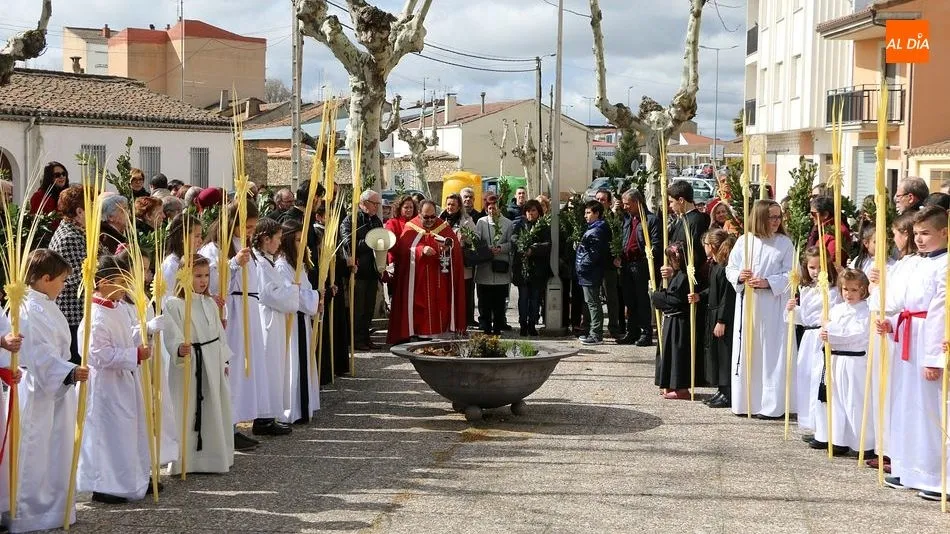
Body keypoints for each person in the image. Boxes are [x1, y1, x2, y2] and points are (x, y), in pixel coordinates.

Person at [5, 249, 85, 532]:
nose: (64, 286)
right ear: (45, 278)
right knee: (35, 449)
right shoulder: (29, 308)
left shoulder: (45, 303)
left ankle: (54, 507)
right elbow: (38, 352)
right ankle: (30, 511)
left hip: (54, 387)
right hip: (38, 388)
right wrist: (69, 371)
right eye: (62, 280)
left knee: (56, 448)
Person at [877, 206, 947, 500]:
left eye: (926, 233)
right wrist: (892, 323)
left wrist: (935, 359)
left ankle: (935, 476)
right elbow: (908, 304)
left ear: (944, 232)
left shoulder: (945, 265)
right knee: (906, 404)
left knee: (930, 408)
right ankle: (909, 468)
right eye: (916, 234)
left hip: (929, 340)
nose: (919, 239)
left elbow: (941, 313)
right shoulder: (917, 263)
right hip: (909, 337)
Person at [76, 255, 154, 504]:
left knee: (124, 431)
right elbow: (97, 353)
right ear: (104, 282)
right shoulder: (95, 315)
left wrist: (141, 336)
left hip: (123, 380)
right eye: (122, 282)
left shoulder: (117, 308)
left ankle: (126, 480)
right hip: (105, 386)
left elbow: (121, 337)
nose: (126, 289)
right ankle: (103, 484)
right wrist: (134, 354)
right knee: (107, 433)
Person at [199, 199, 274, 450]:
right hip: (231, 311)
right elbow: (210, 283)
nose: (251, 232)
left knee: (245, 368)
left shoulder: (243, 245)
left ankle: (236, 421)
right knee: (230, 367)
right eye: (248, 226)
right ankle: (226, 426)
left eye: (253, 227)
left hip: (248, 309)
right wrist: (232, 264)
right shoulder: (214, 248)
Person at [163, 255, 234, 475]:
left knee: (213, 406)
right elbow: (170, 333)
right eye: (198, 276)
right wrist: (178, 348)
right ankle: (188, 460)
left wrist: (224, 359)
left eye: (206, 276)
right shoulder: (174, 304)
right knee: (189, 408)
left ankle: (214, 457)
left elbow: (220, 335)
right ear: (184, 277)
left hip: (211, 361)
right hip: (190, 363)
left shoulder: (210, 302)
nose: (203, 281)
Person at [725, 199, 794, 418]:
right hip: (748, 305)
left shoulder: (784, 243)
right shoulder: (744, 241)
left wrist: (768, 282)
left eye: (778, 217)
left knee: (772, 353)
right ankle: (747, 402)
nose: (776, 221)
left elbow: (793, 274)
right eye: (771, 217)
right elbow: (731, 268)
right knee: (749, 351)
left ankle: (772, 405)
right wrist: (739, 276)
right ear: (760, 218)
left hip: (773, 306)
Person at [865, 211, 918, 473]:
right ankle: (887, 448)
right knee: (883, 389)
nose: (894, 239)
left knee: (893, 391)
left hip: (896, 330)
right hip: (887, 328)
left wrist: (877, 288)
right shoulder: (902, 263)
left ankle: (894, 451)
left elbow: (893, 299)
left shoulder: (911, 264)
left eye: (896, 234)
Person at [387, 200, 467, 344]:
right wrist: (420, 250)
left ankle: (440, 332)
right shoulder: (411, 227)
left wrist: (447, 246)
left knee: (440, 305)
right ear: (420, 214)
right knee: (418, 306)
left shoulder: (442, 226)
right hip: (418, 279)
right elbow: (404, 250)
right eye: (426, 217)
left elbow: (454, 246)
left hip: (439, 277)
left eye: (432, 217)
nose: (430, 221)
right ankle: (415, 332)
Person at [813, 268, 872, 457]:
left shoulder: (865, 311)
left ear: (863, 290)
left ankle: (862, 443)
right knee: (836, 400)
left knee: (855, 400)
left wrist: (830, 330)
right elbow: (825, 328)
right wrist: (825, 332)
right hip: (835, 358)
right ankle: (839, 439)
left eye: (854, 290)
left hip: (854, 360)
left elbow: (857, 334)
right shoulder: (837, 309)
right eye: (846, 289)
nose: (849, 294)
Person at [252, 218, 300, 429]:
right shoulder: (260, 264)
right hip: (268, 320)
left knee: (277, 366)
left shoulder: (267, 261)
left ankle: (272, 414)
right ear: (265, 239)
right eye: (277, 238)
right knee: (270, 367)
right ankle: (265, 416)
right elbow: (269, 295)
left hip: (277, 319)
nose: (280, 243)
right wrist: (293, 291)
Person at [788, 246, 840, 437]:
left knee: (820, 377)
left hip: (823, 335)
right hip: (809, 337)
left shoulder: (834, 289)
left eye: (819, 267)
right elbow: (804, 318)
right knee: (807, 376)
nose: (816, 272)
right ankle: (810, 422)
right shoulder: (805, 288)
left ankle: (822, 425)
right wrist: (794, 309)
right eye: (812, 268)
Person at [276, 220, 321, 424]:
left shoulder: (297, 265)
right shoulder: (282, 265)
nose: (301, 243)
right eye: (296, 239)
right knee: (293, 363)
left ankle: (304, 407)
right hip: (291, 322)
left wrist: (317, 296)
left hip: (302, 320)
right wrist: (315, 297)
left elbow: (305, 290)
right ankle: (292, 410)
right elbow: (293, 295)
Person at [688, 230, 737, 408]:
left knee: (724, 354)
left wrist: (722, 320)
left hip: (721, 315)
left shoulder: (725, 267)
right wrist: (700, 296)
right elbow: (714, 290)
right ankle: (721, 389)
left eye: (706, 245)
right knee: (716, 353)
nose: (705, 249)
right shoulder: (716, 265)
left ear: (713, 246)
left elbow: (727, 296)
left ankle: (727, 392)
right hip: (713, 311)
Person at [339, 190, 384, 351]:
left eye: (378, 204)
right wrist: (370, 242)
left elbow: (381, 241)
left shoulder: (376, 221)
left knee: (369, 308)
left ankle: (366, 337)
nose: (377, 207)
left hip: (372, 271)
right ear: (363, 203)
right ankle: (356, 339)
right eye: (374, 203)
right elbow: (347, 243)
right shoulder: (350, 220)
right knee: (358, 309)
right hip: (358, 271)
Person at [48, 185, 87, 365]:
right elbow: (78, 277)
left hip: (79, 314)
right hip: (73, 316)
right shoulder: (68, 237)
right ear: (80, 211)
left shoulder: (79, 233)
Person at [618, 189, 659, 346]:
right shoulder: (628, 219)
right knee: (629, 299)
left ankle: (645, 332)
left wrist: (649, 255)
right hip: (626, 264)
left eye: (628, 204)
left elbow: (656, 243)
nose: (625, 207)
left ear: (637, 202)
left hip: (640, 264)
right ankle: (632, 331)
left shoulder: (650, 220)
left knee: (641, 300)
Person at [651, 243, 691, 399]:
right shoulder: (677, 275)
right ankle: (668, 383)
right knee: (668, 352)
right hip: (670, 319)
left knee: (677, 353)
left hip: (678, 320)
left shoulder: (684, 276)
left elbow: (675, 299)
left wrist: (656, 296)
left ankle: (681, 388)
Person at [473, 195, 513, 335]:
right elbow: (477, 241)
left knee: (499, 301)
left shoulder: (508, 223)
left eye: (494, 207)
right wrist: (488, 248)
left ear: (499, 208)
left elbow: (511, 243)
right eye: (489, 208)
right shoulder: (481, 222)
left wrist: (501, 248)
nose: (492, 210)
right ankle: (485, 326)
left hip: (501, 267)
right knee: (484, 301)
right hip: (485, 268)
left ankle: (497, 326)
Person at [512, 199, 551, 337]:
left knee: (535, 298)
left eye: (533, 210)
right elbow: (514, 238)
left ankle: (532, 323)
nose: (530, 213)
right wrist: (522, 248)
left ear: (538, 212)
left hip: (537, 269)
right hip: (522, 268)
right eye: (528, 211)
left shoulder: (544, 226)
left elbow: (547, 244)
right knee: (523, 297)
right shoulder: (520, 225)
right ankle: (523, 324)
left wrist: (533, 250)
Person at [575, 200, 611, 345]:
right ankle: (593, 331)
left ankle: (596, 334)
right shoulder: (594, 227)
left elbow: (594, 254)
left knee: (593, 303)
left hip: (591, 272)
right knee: (591, 302)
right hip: (588, 272)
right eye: (585, 212)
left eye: (589, 213)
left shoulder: (597, 230)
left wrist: (583, 266)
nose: (586, 216)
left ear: (597, 214)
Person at [438, 194, 477, 328]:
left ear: (459, 206)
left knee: (462, 295)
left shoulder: (467, 220)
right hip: (443, 263)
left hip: (461, 264)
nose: (450, 207)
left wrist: (465, 238)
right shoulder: (439, 219)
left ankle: (462, 322)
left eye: (453, 205)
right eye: (448, 204)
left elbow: (476, 239)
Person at [594, 189, 624, 339]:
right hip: (594, 265)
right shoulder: (591, 217)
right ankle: (595, 327)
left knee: (611, 298)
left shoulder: (614, 219)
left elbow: (619, 237)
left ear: (609, 202)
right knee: (593, 298)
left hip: (608, 265)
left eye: (603, 200)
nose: (600, 203)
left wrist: (617, 256)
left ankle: (614, 327)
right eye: (597, 199)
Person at [806, 196, 851, 266]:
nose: (811, 217)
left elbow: (831, 261)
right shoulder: (820, 229)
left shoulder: (837, 231)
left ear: (825, 215)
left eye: (813, 213)